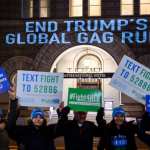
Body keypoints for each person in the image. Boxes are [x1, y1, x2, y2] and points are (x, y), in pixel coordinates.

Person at [7, 86, 57, 150]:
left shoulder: (49, 131)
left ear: (44, 119)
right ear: (31, 118)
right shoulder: (23, 131)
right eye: (35, 116)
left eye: (41, 117)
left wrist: (61, 112)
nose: (38, 119)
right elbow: (10, 128)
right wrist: (13, 101)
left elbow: (62, 127)